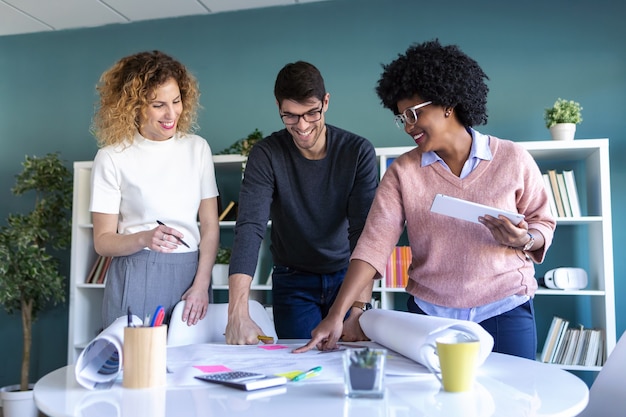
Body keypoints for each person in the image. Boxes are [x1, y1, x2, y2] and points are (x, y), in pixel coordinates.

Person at [295, 40, 557, 359]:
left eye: (413, 114)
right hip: (429, 315)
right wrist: (336, 315)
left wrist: (524, 239)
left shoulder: (512, 158)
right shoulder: (404, 172)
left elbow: (542, 222)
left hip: (504, 307)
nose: (408, 126)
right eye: (401, 117)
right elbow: (373, 246)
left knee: (512, 405)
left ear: (447, 103)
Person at [225, 61, 379, 343]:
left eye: (311, 113)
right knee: (298, 363)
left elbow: (364, 235)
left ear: (326, 102)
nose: (303, 125)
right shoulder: (266, 154)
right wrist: (237, 313)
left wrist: (358, 309)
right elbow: (250, 228)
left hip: (348, 277)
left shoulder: (358, 152)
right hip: (292, 280)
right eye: (291, 116)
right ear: (278, 107)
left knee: (347, 366)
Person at [90, 50, 220, 329]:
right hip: (136, 272)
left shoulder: (197, 148)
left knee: (189, 366)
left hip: (191, 275)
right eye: (158, 105)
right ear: (133, 106)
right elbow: (102, 241)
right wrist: (144, 238)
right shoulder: (112, 157)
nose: (171, 113)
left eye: (176, 101)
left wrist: (201, 283)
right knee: (134, 367)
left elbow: (210, 225)